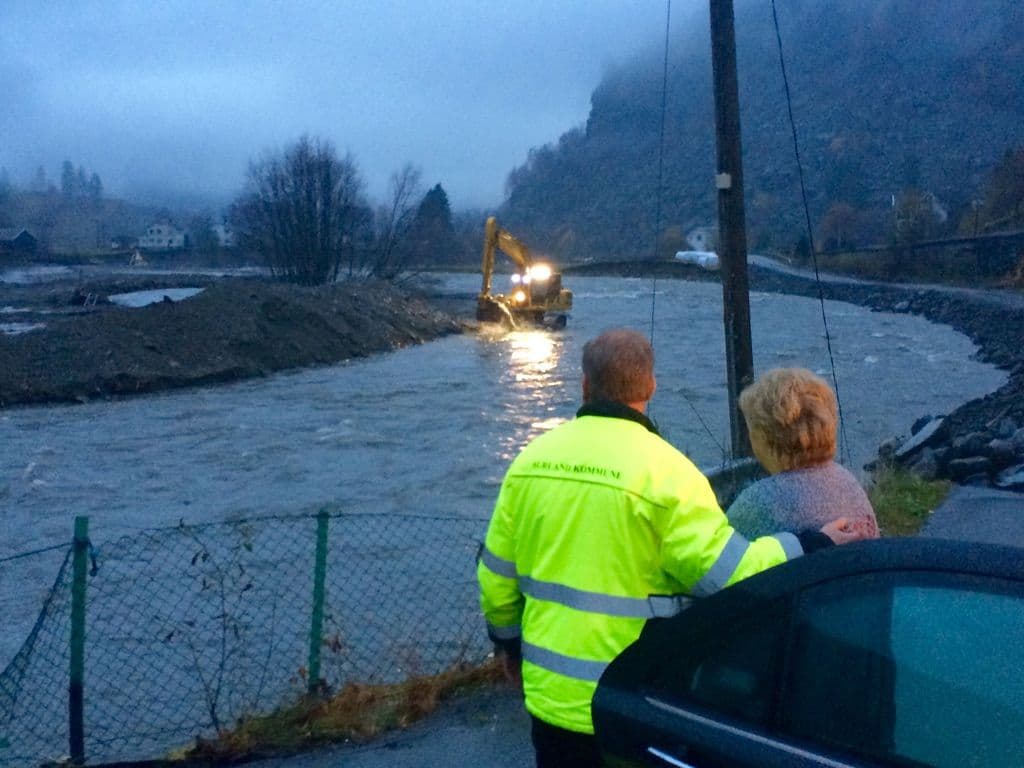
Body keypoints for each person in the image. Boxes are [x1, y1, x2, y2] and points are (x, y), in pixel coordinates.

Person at [477, 329, 868, 768]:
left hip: (548, 700)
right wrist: (809, 542)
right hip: (628, 697)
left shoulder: (531, 461)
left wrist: (508, 646)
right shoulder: (668, 472)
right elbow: (729, 574)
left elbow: (495, 578)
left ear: (585, 385)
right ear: (650, 387)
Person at [727, 367, 879, 540]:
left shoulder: (758, 503)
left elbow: (722, 562)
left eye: (751, 429)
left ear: (764, 437)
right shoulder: (847, 481)